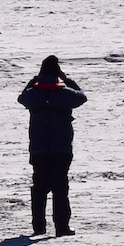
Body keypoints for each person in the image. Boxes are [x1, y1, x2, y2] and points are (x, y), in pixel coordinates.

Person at [17, 56, 87, 236]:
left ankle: (38, 226)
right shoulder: (64, 94)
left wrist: (33, 81)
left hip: (39, 147)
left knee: (39, 187)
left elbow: (21, 98)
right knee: (60, 187)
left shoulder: (33, 94)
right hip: (61, 147)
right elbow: (82, 97)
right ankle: (62, 227)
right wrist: (67, 80)